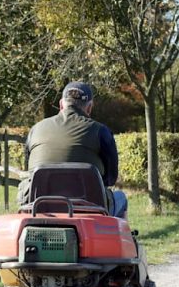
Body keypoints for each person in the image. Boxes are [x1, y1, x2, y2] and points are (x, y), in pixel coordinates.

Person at [23, 81, 127, 217]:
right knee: (120, 198)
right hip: (90, 206)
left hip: (37, 204)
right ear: (89, 108)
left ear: (61, 104)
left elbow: (28, 169)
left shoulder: (35, 129)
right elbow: (110, 179)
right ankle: (117, 238)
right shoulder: (101, 132)